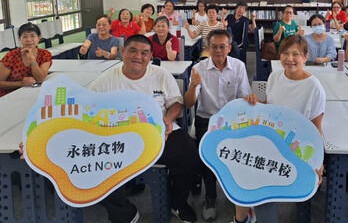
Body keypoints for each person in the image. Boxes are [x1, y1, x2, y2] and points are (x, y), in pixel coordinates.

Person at [89, 35, 200, 223]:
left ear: (150, 57)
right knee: (93, 164)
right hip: (119, 137)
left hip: (159, 132)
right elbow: (88, 110)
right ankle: (124, 213)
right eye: (132, 50)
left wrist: (168, 119)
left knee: (190, 154)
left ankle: (177, 202)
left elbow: (177, 104)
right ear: (123, 52)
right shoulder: (106, 80)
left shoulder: (161, 75)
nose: (138, 56)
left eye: (144, 53)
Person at [235, 35, 325, 223]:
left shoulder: (314, 88)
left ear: (305, 56)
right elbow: (271, 107)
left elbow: (316, 129)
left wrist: (318, 161)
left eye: (295, 54)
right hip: (269, 140)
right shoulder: (275, 75)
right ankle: (243, 217)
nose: (289, 59)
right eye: (285, 53)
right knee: (241, 168)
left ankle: (245, 217)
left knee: (262, 189)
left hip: (293, 150)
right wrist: (255, 103)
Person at [184, 29, 252, 221]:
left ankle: (235, 193)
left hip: (232, 120)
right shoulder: (199, 68)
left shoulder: (238, 66)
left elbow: (243, 98)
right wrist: (192, 85)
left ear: (230, 48)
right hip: (207, 119)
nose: (218, 51)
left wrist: (251, 99)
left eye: (223, 46)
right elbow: (189, 103)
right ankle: (210, 197)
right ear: (208, 47)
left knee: (237, 158)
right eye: (214, 46)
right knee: (209, 160)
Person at [0, 23, 52, 97]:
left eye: (32, 36)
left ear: (39, 38)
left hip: (32, 94)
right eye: (24, 36)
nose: (29, 40)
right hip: (9, 96)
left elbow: (40, 78)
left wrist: (32, 59)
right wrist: (21, 83)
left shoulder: (45, 54)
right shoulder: (11, 56)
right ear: (19, 39)